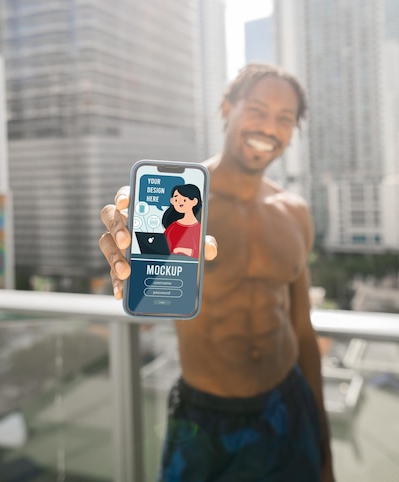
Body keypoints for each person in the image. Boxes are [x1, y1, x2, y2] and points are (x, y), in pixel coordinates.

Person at [99, 63, 335, 481]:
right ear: (227, 107)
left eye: (284, 119)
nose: (269, 127)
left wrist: (323, 448)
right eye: (257, 110)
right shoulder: (179, 204)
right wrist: (127, 241)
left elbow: (301, 329)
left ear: (292, 133)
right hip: (205, 419)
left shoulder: (295, 213)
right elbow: (140, 276)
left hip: (287, 405)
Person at [163, 184, 202, 258]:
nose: (179, 202)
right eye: (176, 199)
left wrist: (184, 251)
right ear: (172, 201)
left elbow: (199, 253)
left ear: (194, 202)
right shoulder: (173, 226)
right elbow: (163, 248)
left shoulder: (199, 228)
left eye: (184, 200)